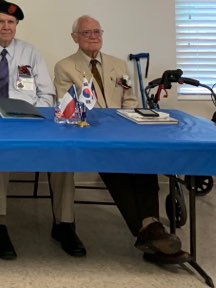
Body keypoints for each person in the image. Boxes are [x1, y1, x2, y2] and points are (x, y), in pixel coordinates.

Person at [51, 15, 187, 264]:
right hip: (89, 134)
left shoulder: (118, 64)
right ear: (74, 38)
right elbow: (68, 106)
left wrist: (130, 125)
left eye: (97, 32)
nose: (93, 36)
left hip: (123, 132)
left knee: (145, 160)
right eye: (86, 33)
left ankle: (150, 228)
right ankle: (150, 231)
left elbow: (130, 100)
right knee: (115, 164)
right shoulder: (65, 67)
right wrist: (103, 127)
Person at [0, 0, 56, 260]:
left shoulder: (31, 52)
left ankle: (65, 223)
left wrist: (34, 113)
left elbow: (47, 94)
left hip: (32, 121)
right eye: (1, 21)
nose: (6, 27)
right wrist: (2, 114)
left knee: (63, 154)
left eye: (11, 22)